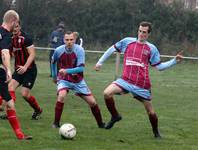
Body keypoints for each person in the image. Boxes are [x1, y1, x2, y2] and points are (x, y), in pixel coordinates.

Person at [94, 21, 183, 138]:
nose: (141, 34)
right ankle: (115, 116)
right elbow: (112, 49)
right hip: (125, 80)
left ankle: (156, 133)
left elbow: (159, 67)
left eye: (144, 32)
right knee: (106, 93)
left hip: (142, 84)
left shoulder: (152, 49)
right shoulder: (127, 41)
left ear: (148, 34)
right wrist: (100, 62)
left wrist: (174, 61)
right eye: (140, 31)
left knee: (150, 111)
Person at [51, 31, 105, 128]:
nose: (69, 42)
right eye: (67, 40)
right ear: (63, 40)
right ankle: (56, 123)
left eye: (71, 40)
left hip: (78, 80)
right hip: (64, 79)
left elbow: (81, 68)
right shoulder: (58, 50)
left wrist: (66, 71)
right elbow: (53, 61)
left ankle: (101, 124)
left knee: (92, 102)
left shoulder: (79, 50)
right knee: (61, 96)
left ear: (74, 40)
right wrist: (54, 76)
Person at [0, 10, 32, 140]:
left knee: (9, 102)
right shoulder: (6, 35)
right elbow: (5, 53)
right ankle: (20, 135)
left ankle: (20, 135)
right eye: (16, 23)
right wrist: (8, 70)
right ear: (13, 21)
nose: (16, 26)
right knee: (9, 102)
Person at [7, 21, 42, 120]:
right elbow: (9, 54)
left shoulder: (26, 38)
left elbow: (32, 54)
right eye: (13, 27)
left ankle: (38, 110)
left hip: (30, 70)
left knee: (25, 95)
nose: (14, 29)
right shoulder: (10, 39)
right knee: (10, 88)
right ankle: (10, 112)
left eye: (16, 27)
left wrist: (25, 67)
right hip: (18, 70)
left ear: (20, 27)